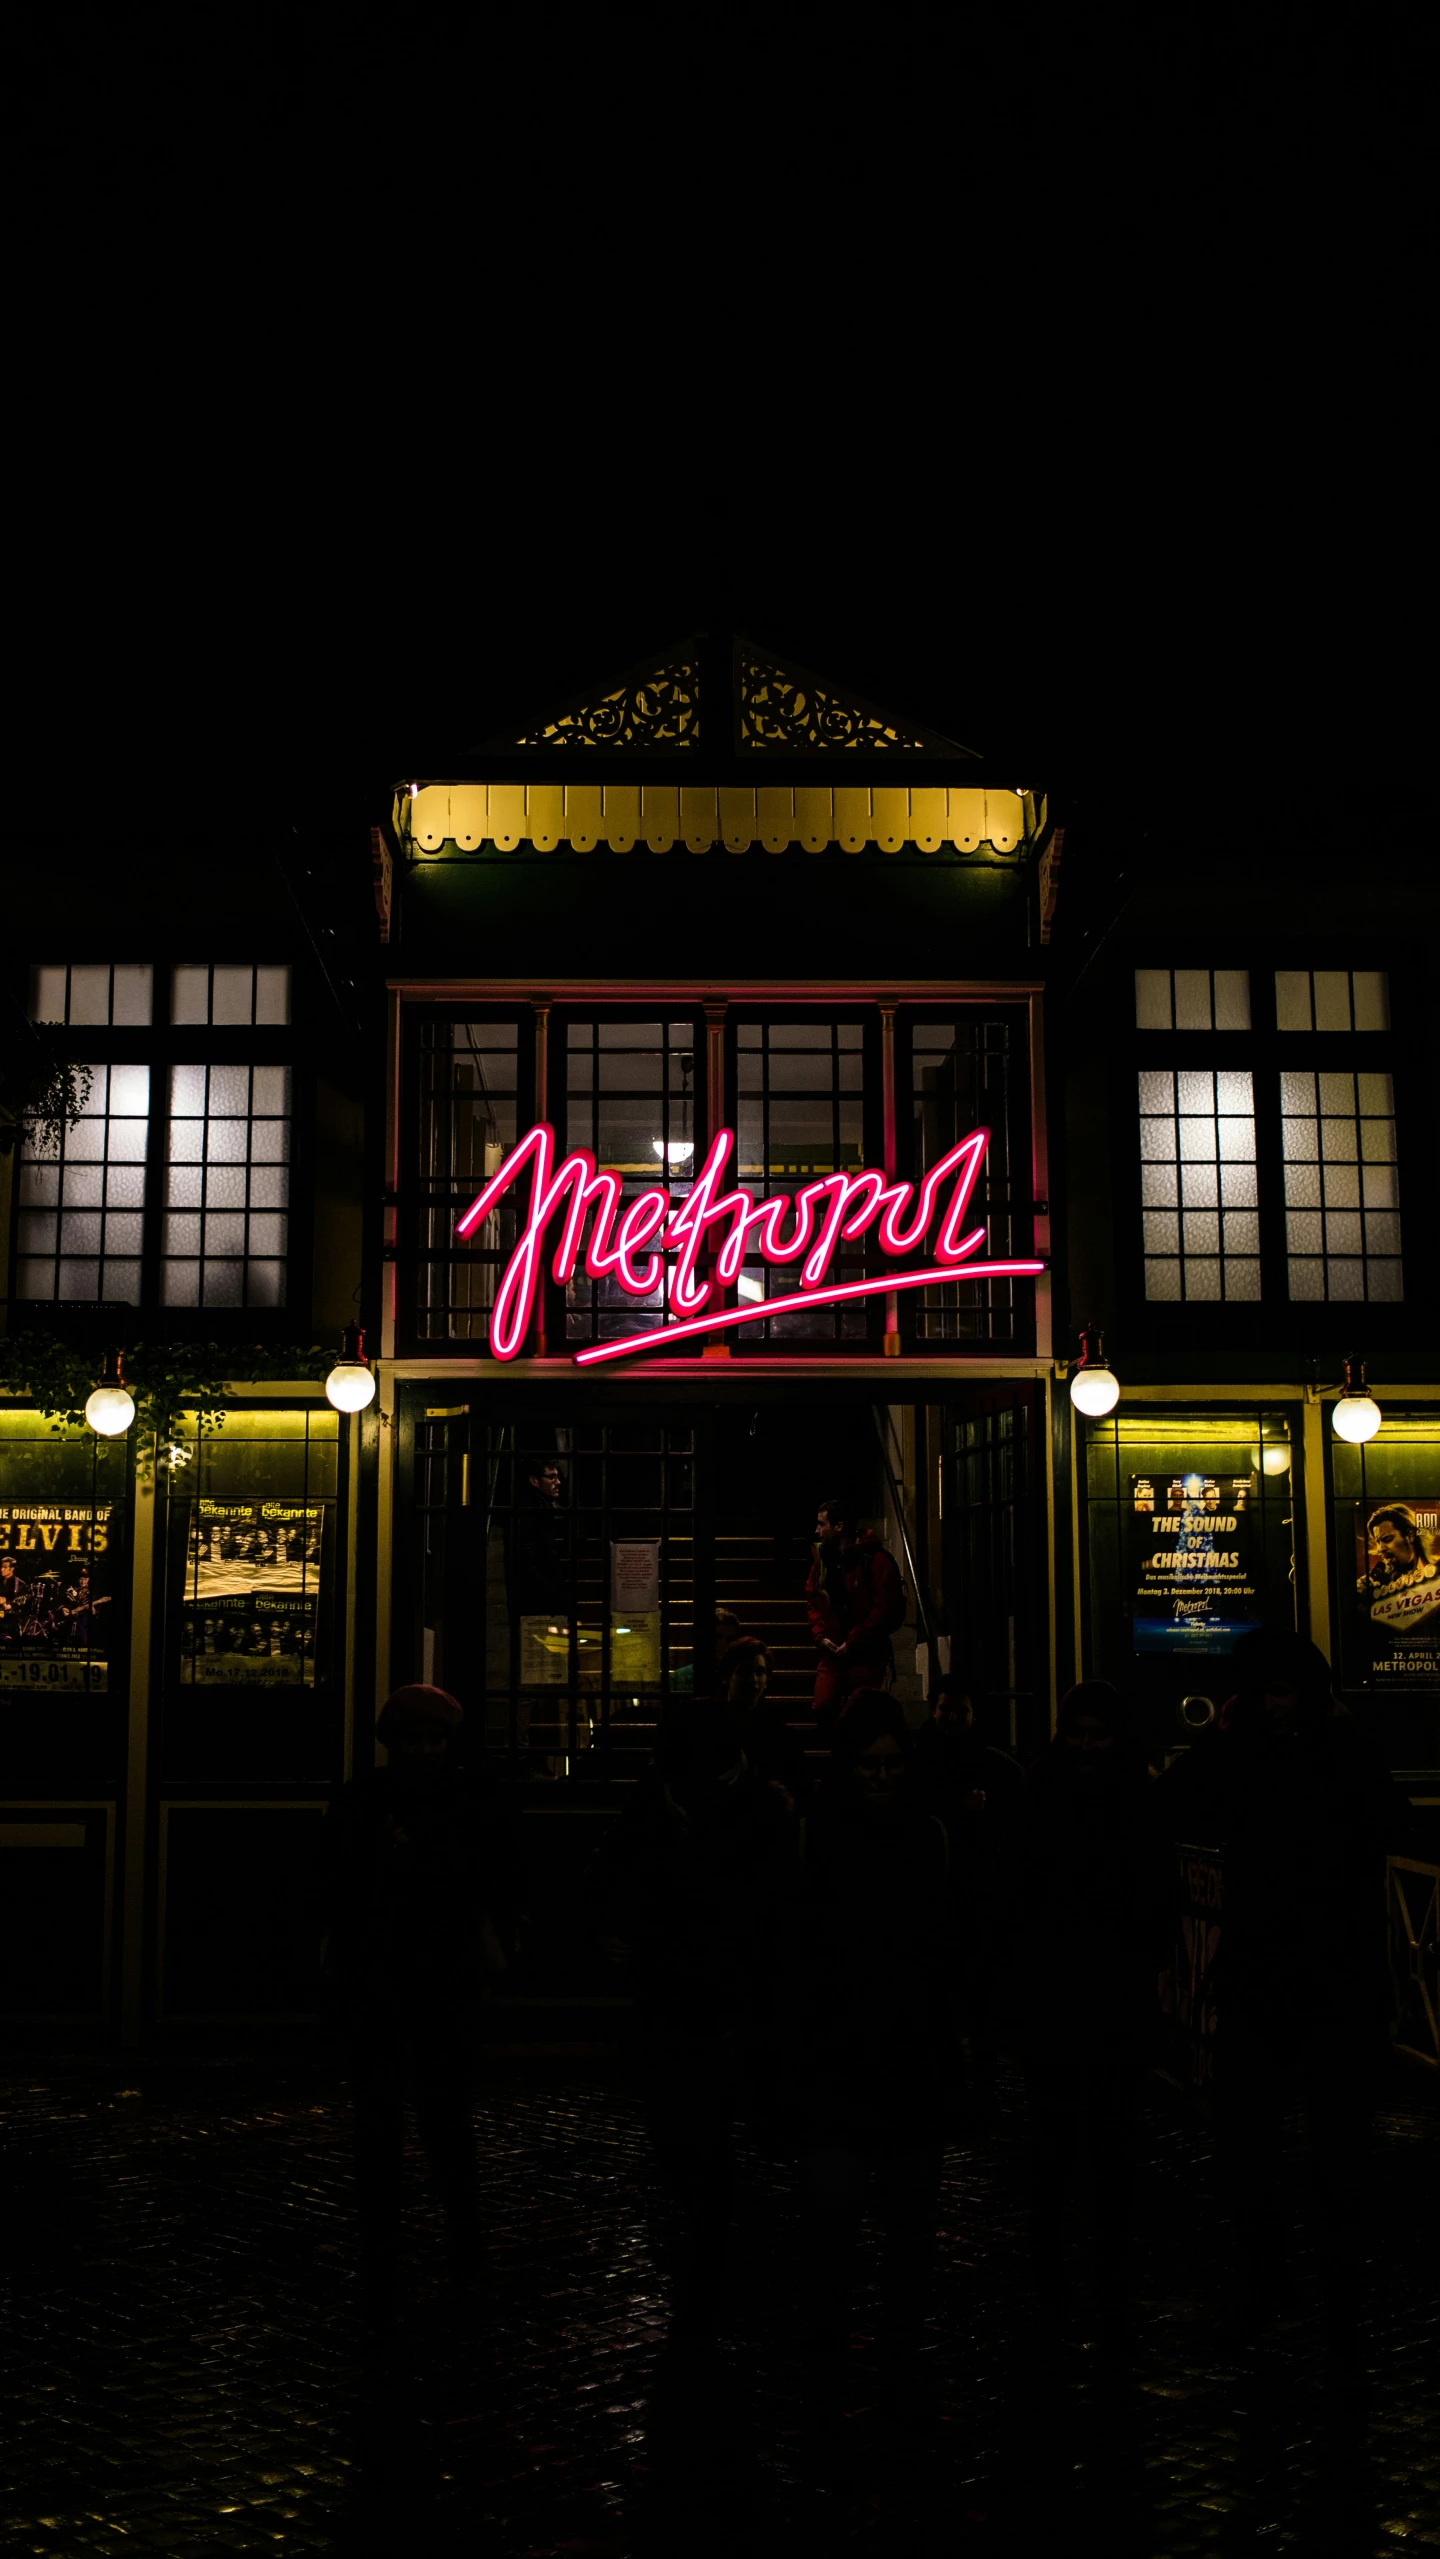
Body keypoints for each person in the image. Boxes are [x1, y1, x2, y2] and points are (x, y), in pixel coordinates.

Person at [1156, 1628, 1412, 2370]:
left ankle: (1292, 2290)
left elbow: (1178, 1802)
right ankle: (1316, 2298)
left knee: (1288, 2148)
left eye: (1277, 1693)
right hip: (1311, 1981)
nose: (1269, 1706)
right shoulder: (1330, 1754)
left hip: (1293, 1979)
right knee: (1292, 2149)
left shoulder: (1274, 1755)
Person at [585, 1695, 796, 2348]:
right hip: (709, 1983)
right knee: (696, 2126)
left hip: (694, 1984)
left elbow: (616, 1870)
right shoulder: (754, 1805)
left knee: (687, 2125)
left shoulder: (662, 1801)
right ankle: (718, 2239)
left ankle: (709, 2241)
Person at [321, 1683, 520, 2321]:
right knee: (431, 2118)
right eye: (418, 1739)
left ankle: (395, 2249)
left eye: (433, 1739)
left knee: (409, 2118)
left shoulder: (368, 1801)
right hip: (423, 1976)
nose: (426, 1749)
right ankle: (457, 2245)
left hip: (401, 1976)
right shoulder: (462, 1799)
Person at [776, 1690, 952, 2402]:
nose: (881, 1777)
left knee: (898, 2230)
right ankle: (856, 2358)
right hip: (845, 2054)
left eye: (891, 1765)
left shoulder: (901, 1835)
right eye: (871, 1765)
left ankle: (877, 2359)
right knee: (839, 2230)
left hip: (896, 2055)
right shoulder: (826, 1838)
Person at [1014, 1680, 1170, 2353]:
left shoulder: (1054, 1787)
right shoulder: (1125, 1792)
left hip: (1098, 1991)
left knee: (1098, 2139)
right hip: (1079, 1991)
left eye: (1095, 1734)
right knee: (1070, 2139)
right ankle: (1075, 2269)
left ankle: (1082, 2269)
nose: (1085, 1745)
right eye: (1079, 1733)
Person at [912, 1675, 1026, 2078]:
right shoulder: (928, 1757)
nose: (952, 1716)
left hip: (970, 1884)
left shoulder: (979, 1760)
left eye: (960, 1710)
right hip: (945, 1885)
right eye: (947, 1708)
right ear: (934, 1708)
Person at [804, 1497, 905, 1728]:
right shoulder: (823, 1559)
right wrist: (820, 1636)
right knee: (823, 1706)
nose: (817, 1530)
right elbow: (813, 1599)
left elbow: (883, 1609)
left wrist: (855, 1639)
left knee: (861, 1714)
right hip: (835, 1648)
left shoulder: (874, 1559)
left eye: (822, 1524)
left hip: (866, 1651)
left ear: (839, 1526)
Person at [720, 1635, 812, 1810]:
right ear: (728, 1676)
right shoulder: (713, 1726)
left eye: (759, 1672)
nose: (753, 1680)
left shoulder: (783, 1737)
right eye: (744, 1672)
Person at [508, 1456, 567, 1620]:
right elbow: (527, 1560)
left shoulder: (537, 1508)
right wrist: (553, 1592)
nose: (558, 1482)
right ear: (534, 1481)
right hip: (539, 1601)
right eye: (551, 1477)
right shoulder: (533, 1512)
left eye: (557, 1476)